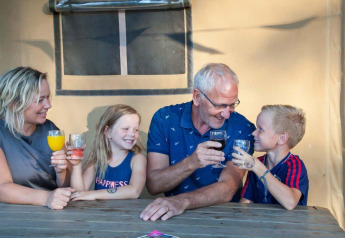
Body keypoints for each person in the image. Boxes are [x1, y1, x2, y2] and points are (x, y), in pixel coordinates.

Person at [140, 63, 256, 221]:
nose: (227, 114)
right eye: (220, 105)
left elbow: (228, 187)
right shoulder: (164, 119)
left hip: (224, 217)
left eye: (232, 105)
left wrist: (182, 201)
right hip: (173, 216)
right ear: (197, 97)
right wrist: (191, 162)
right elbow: (154, 185)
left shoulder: (243, 127)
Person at [0, 66, 74, 210]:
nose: (49, 105)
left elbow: (66, 187)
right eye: (40, 100)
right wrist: (46, 198)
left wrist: (62, 172)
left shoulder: (50, 129)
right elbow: (2, 188)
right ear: (14, 104)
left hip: (54, 213)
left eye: (48, 98)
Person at [232, 105, 308, 210]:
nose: (253, 133)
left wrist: (258, 168)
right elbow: (245, 202)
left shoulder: (295, 165)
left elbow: (290, 202)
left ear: (282, 138)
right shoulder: (258, 163)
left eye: (261, 129)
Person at [69, 104, 147, 200]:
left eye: (136, 130)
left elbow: (134, 191)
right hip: (102, 214)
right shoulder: (97, 159)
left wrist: (92, 194)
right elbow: (78, 193)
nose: (132, 134)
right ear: (108, 132)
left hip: (127, 214)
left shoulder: (138, 159)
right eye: (125, 128)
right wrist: (76, 165)